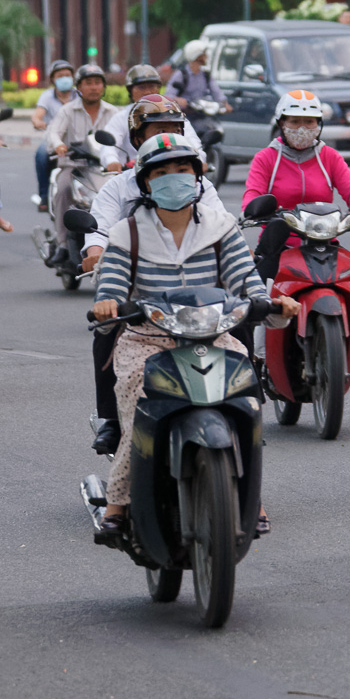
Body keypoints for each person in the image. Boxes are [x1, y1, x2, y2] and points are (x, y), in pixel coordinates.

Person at [90, 134, 298, 541]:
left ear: (197, 175)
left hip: (213, 335)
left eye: (182, 169)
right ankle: (118, 503)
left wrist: (271, 303)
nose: (174, 178)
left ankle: (250, 497)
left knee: (246, 399)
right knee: (138, 404)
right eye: (162, 172)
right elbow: (111, 284)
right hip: (148, 340)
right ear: (146, 182)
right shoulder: (127, 233)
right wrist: (107, 303)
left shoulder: (221, 227)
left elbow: (246, 279)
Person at [77, 99, 217, 451]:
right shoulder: (118, 188)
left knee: (239, 321)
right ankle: (112, 419)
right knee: (107, 326)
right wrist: (95, 253)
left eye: (173, 129)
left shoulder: (202, 186)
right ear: (138, 138)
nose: (166, 137)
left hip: (197, 287)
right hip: (141, 288)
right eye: (158, 130)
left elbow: (223, 229)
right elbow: (99, 230)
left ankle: (245, 403)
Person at [242, 89, 350, 276]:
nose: (302, 128)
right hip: (278, 246)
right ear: (281, 123)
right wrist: (249, 211)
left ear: (319, 124)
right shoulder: (265, 158)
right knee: (255, 288)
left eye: (309, 122)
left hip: (325, 244)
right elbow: (253, 193)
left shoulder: (330, 156)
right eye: (295, 122)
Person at [45, 63, 119, 238]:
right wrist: (59, 145)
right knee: (63, 190)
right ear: (78, 87)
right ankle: (62, 242)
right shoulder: (67, 111)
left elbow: (122, 139)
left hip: (104, 170)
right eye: (88, 83)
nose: (93, 87)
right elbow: (53, 132)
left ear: (103, 87)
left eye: (97, 83)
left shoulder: (113, 112)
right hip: (73, 167)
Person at [99, 65, 181, 170]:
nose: (147, 92)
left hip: (171, 171)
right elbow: (109, 147)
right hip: (131, 173)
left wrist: (198, 159)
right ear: (130, 91)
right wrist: (111, 161)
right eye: (141, 87)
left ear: (158, 89)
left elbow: (192, 141)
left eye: (152, 86)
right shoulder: (121, 117)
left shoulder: (173, 114)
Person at [31, 60, 76, 213]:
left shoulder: (79, 95)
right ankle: (44, 196)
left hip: (76, 138)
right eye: (60, 76)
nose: (65, 79)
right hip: (53, 138)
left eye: (67, 75)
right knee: (41, 154)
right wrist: (38, 122)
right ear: (53, 80)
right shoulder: (47, 96)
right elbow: (37, 116)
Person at [165, 41, 230, 113]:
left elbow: (216, 91)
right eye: (204, 54)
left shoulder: (206, 75)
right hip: (184, 113)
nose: (207, 57)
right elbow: (168, 95)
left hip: (200, 112)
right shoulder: (181, 75)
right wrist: (177, 100)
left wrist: (225, 103)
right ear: (197, 56)